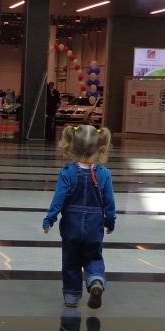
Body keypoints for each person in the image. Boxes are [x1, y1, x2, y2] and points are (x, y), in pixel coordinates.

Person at [42, 125, 117, 309]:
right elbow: (109, 202)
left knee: (71, 260)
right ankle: (95, 280)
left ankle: (72, 296)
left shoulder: (67, 173)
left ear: (72, 147)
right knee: (94, 256)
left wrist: (50, 219)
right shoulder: (104, 174)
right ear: (99, 148)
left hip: (71, 226)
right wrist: (110, 221)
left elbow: (59, 199)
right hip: (94, 226)